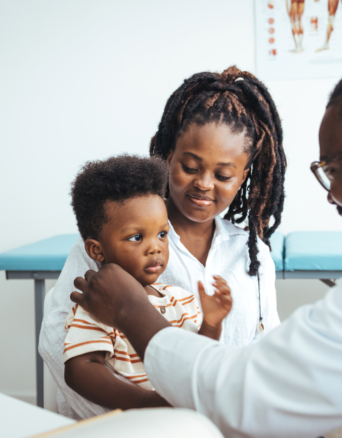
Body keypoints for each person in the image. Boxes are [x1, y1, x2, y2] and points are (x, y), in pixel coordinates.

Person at [71, 45, 342, 438]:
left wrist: (132, 312)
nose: (331, 193)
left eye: (333, 170)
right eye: (190, 167)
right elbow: (72, 362)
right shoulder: (107, 244)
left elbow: (263, 384)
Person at [39, 66, 287, 419]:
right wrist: (148, 421)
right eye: (189, 166)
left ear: (243, 175)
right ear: (168, 156)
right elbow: (57, 347)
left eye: (223, 175)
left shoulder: (253, 255)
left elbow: (262, 351)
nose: (204, 184)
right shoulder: (115, 244)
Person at [63, 155, 232, 410]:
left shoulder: (180, 298)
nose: (155, 247)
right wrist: (144, 402)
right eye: (136, 237)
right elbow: (79, 369)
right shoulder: (97, 306)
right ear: (96, 250)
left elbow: (195, 360)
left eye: (162, 234)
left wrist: (211, 324)